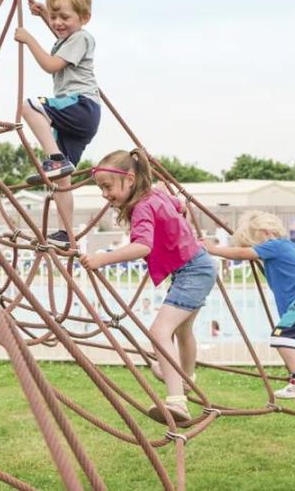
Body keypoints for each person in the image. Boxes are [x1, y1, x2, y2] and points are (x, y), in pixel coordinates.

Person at [80, 149, 215, 423]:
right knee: (182, 330)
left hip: (191, 271)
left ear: (130, 179)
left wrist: (102, 258)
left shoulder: (143, 206)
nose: (105, 194)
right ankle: (185, 381)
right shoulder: (154, 195)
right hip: (197, 267)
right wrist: (167, 194)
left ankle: (177, 402)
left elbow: (142, 246)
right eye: (101, 189)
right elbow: (180, 205)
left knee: (159, 332)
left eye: (107, 187)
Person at [202, 211, 295, 418]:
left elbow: (244, 254)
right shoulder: (285, 249)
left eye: (255, 242)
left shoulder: (276, 245)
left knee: (281, 337)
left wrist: (213, 249)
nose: (255, 247)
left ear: (265, 232)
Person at [14, 0, 101, 249]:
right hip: (78, 115)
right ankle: (66, 234)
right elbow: (60, 31)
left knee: (29, 105)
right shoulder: (69, 37)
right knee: (63, 179)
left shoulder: (81, 38)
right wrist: (43, 15)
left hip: (80, 105)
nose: (58, 23)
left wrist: (29, 39)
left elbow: (51, 65)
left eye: (64, 17)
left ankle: (53, 158)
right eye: (55, 17)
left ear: (84, 18)